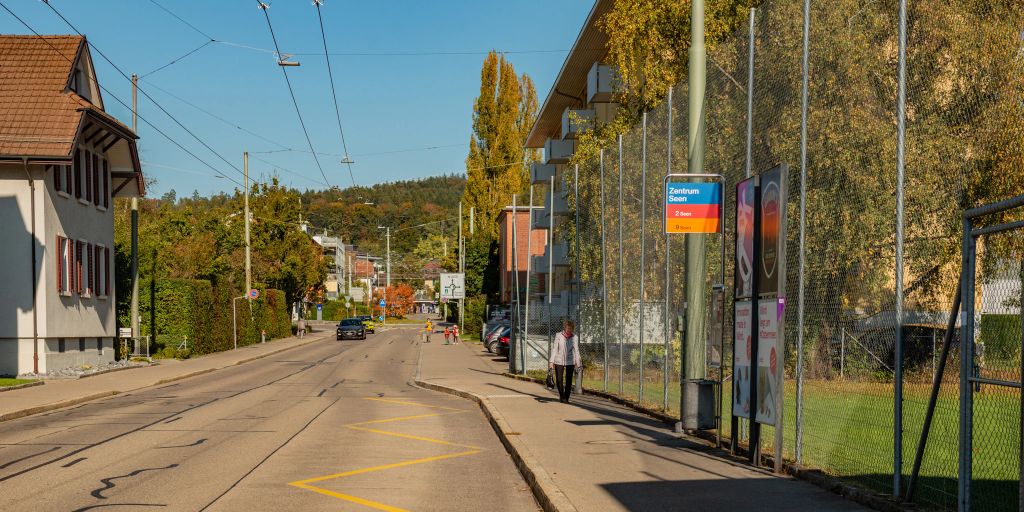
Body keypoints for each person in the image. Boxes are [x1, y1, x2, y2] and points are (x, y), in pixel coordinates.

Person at [548, 320, 581, 404]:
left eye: (570, 328)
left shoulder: (575, 337)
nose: (568, 330)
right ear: (565, 327)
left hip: (570, 360)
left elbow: (576, 350)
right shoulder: (558, 335)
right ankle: (561, 396)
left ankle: (566, 398)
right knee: (559, 379)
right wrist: (551, 362)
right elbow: (555, 349)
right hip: (558, 360)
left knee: (569, 380)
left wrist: (578, 363)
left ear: (572, 329)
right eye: (567, 328)